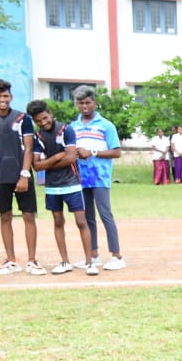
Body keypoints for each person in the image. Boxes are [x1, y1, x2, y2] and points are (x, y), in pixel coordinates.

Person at [26, 100, 96, 276]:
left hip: (71, 183)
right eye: (38, 121)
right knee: (58, 222)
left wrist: (48, 163)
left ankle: (90, 263)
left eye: (44, 118)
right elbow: (37, 166)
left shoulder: (66, 130)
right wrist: (57, 157)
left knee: (81, 222)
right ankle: (65, 262)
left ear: (50, 113)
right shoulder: (37, 137)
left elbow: (71, 158)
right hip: (52, 187)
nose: (43, 123)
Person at [0, 79, 44, 276]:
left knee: (28, 215)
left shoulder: (23, 118)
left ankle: (32, 261)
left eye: (6, 96)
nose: (2, 100)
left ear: (11, 97)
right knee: (5, 217)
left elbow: (29, 147)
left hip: (20, 175)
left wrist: (24, 174)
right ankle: (11, 260)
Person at [70, 86, 125, 271]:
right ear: (76, 104)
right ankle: (93, 255)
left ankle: (117, 255)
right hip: (80, 178)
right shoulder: (73, 126)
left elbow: (117, 152)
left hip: (100, 177)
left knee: (105, 214)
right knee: (87, 217)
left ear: (94, 102)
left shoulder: (106, 125)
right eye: (80, 103)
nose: (84, 106)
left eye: (87, 102)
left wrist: (92, 152)